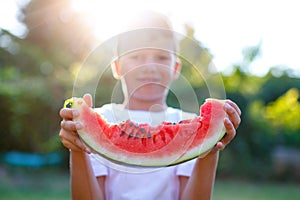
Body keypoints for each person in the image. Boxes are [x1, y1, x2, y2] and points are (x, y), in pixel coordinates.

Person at [59, 11, 241, 200]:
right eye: (136, 56)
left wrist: (209, 150)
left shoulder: (188, 124)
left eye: (161, 57)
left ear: (175, 68)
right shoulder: (99, 121)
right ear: (117, 67)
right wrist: (77, 150)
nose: (149, 66)